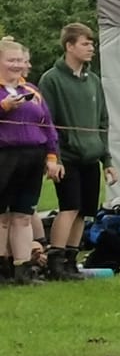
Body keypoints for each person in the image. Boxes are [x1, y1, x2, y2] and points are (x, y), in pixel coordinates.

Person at [40, 23, 114, 282]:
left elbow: (103, 122)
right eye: (85, 43)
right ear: (69, 46)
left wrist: (107, 160)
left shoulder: (93, 81)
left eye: (92, 43)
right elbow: (46, 122)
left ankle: (71, 259)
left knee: (85, 211)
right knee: (69, 207)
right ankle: (55, 260)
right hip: (67, 157)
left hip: (91, 156)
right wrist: (54, 157)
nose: (91, 48)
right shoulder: (52, 79)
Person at [0, 37, 63, 286]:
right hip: (4, 157)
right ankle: (2, 268)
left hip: (32, 157)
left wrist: (52, 157)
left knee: (23, 215)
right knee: (2, 216)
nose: (16, 65)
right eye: (10, 60)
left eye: (19, 60)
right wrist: (4, 107)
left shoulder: (32, 91)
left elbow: (48, 126)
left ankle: (23, 269)